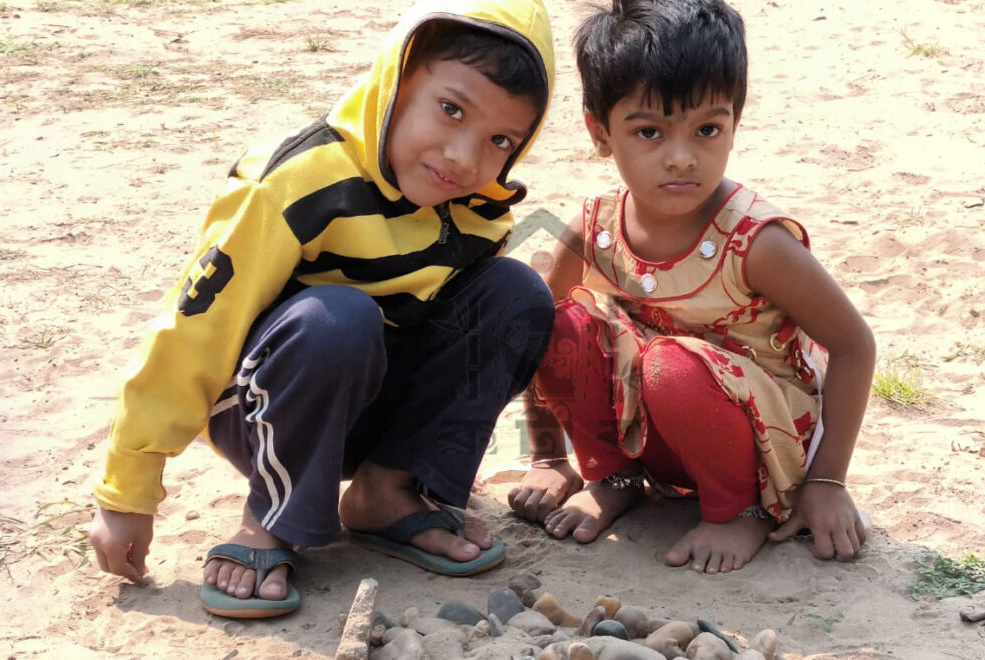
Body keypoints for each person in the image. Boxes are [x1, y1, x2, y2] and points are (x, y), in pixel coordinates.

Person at [87, 0, 556, 618]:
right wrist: (126, 493)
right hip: (263, 403)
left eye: (500, 140)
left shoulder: (478, 210)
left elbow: (457, 348)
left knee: (515, 293)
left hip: (366, 404)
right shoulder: (296, 182)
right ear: (397, 78)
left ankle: (385, 491)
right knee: (339, 318)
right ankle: (268, 517)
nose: (464, 158)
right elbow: (195, 329)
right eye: (451, 109)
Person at [507, 0, 875, 575]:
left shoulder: (757, 242)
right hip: (649, 434)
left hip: (755, 444)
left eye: (707, 129)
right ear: (600, 133)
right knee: (554, 319)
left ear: (735, 122)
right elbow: (534, 334)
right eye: (649, 131)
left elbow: (854, 346)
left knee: (671, 366)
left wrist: (827, 481)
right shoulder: (595, 226)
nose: (681, 158)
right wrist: (550, 456)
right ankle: (614, 478)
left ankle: (738, 513)